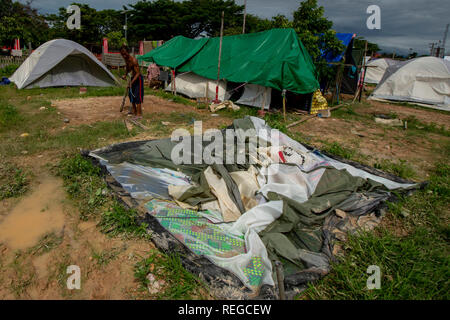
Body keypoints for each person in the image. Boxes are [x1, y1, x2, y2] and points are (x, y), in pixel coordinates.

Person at [120, 45, 144, 118]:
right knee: (131, 95)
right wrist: (125, 74)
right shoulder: (126, 59)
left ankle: (139, 114)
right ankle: (134, 111)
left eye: (125, 54)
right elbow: (128, 67)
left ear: (128, 52)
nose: (124, 56)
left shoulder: (134, 60)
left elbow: (138, 73)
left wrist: (131, 82)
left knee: (137, 96)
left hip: (138, 79)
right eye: (122, 54)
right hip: (133, 78)